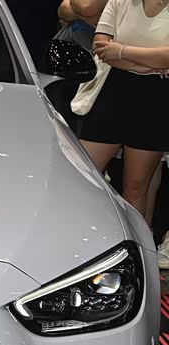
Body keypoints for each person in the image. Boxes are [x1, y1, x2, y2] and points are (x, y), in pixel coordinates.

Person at [73, 0, 169, 242]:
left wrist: (121, 50)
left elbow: (167, 57)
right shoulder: (120, 1)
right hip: (113, 92)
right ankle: (81, 239)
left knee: (136, 188)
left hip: (156, 101)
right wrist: (149, 65)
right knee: (81, 173)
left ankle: (137, 249)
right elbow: (101, 47)